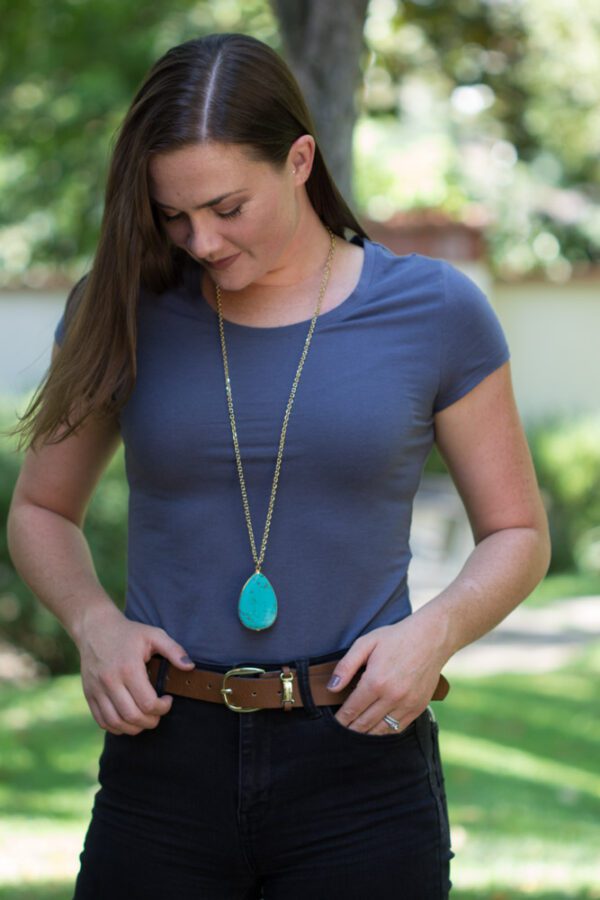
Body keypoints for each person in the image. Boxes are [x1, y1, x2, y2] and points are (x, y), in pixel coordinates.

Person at [7, 32, 550, 900]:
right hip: (161, 763)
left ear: (300, 159)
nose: (202, 241)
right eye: (173, 216)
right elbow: (40, 510)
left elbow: (518, 532)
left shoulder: (434, 310)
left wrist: (435, 633)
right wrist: (93, 624)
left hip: (362, 759)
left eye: (227, 207)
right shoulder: (123, 304)